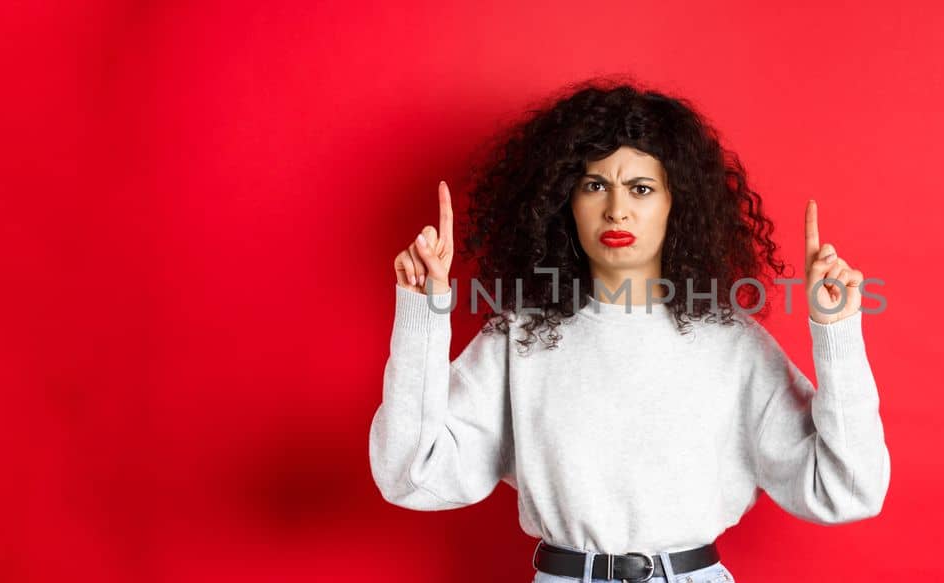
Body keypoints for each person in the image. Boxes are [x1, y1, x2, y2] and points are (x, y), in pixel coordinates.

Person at [370, 80, 891, 583]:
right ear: (564, 203)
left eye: (641, 188)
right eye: (595, 185)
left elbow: (847, 491)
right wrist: (423, 314)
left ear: (675, 204)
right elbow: (413, 475)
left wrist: (836, 334)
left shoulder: (732, 342)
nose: (616, 209)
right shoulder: (519, 337)